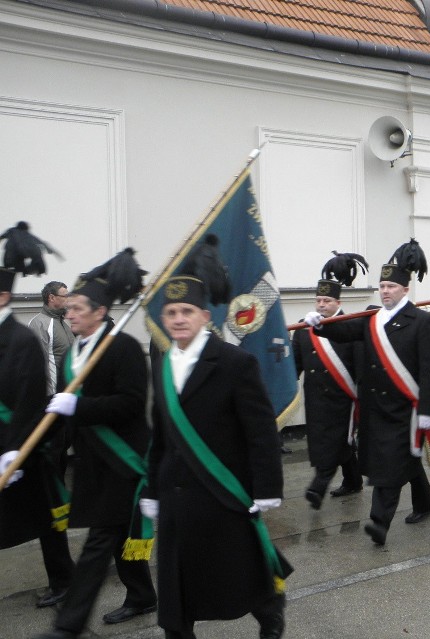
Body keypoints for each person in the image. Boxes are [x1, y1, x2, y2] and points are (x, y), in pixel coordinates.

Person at [144, 238, 290, 639]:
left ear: (204, 315)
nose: (177, 319)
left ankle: (269, 610)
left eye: (186, 311)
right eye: (171, 312)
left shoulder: (234, 363)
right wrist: (153, 488)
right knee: (176, 586)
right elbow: (161, 434)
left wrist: (266, 487)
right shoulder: (160, 366)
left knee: (238, 571)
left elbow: (259, 431)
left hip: (223, 492)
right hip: (176, 496)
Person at [34, 249, 157, 639]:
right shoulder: (74, 352)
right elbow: (68, 414)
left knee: (97, 544)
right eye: (67, 308)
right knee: (119, 536)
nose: (69, 313)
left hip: (122, 461)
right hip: (92, 461)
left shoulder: (122, 348)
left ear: (100, 311)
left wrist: (80, 406)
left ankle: (68, 626)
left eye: (77, 308)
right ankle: (142, 595)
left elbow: (132, 403)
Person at [305, 239, 430, 546]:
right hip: (375, 408)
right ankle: (425, 503)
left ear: (405, 289)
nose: (385, 291)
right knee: (402, 460)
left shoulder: (422, 322)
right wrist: (321, 325)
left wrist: (428, 412)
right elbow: (344, 332)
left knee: (388, 470)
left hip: (405, 409)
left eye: (392, 286)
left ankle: (379, 524)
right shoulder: (372, 319)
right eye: (382, 286)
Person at [0, 227, 75, 612]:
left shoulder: (21, 340)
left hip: (23, 450)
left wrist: (12, 451)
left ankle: (64, 581)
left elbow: (30, 401)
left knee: (47, 522)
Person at [294, 251, 366, 510]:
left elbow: (359, 367)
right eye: (318, 300)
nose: (321, 305)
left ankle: (319, 485)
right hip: (315, 397)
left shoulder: (351, 325)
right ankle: (353, 479)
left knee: (335, 441)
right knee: (329, 441)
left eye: (326, 301)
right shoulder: (304, 328)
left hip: (342, 397)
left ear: (338, 302)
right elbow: (295, 364)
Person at [29, 281, 74, 397]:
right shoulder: (39, 324)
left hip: (69, 392)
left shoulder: (64, 323)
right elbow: (38, 365)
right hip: (53, 395)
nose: (68, 300)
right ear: (52, 298)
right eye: (65, 296)